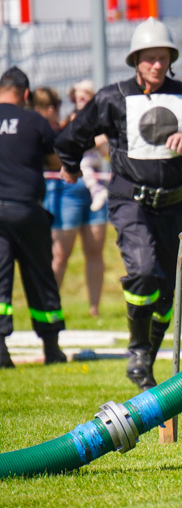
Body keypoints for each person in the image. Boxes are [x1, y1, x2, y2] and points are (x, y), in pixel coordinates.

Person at [55, 17, 182, 390]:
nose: (155, 65)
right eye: (148, 58)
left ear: (171, 60)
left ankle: (147, 360)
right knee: (145, 271)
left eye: (162, 58)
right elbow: (72, 135)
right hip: (128, 200)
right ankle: (137, 350)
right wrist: (69, 166)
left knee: (167, 293)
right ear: (135, 61)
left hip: (172, 205)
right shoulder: (112, 97)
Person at [0, 67, 66, 367]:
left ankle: (1, 353)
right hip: (26, 209)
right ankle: (52, 348)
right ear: (26, 94)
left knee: (0, 281)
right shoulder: (34, 120)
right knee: (40, 277)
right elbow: (56, 159)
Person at [34, 87, 108, 319]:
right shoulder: (56, 127)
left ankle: (94, 309)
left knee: (95, 250)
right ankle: (50, 306)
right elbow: (60, 151)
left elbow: (106, 151)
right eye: (78, 98)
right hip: (64, 190)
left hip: (94, 187)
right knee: (60, 254)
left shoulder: (94, 123)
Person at [66, 79, 109, 213]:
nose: (82, 97)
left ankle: (102, 192)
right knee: (85, 167)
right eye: (79, 94)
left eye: (86, 93)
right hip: (85, 155)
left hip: (96, 153)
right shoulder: (75, 116)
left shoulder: (97, 114)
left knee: (99, 172)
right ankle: (97, 191)